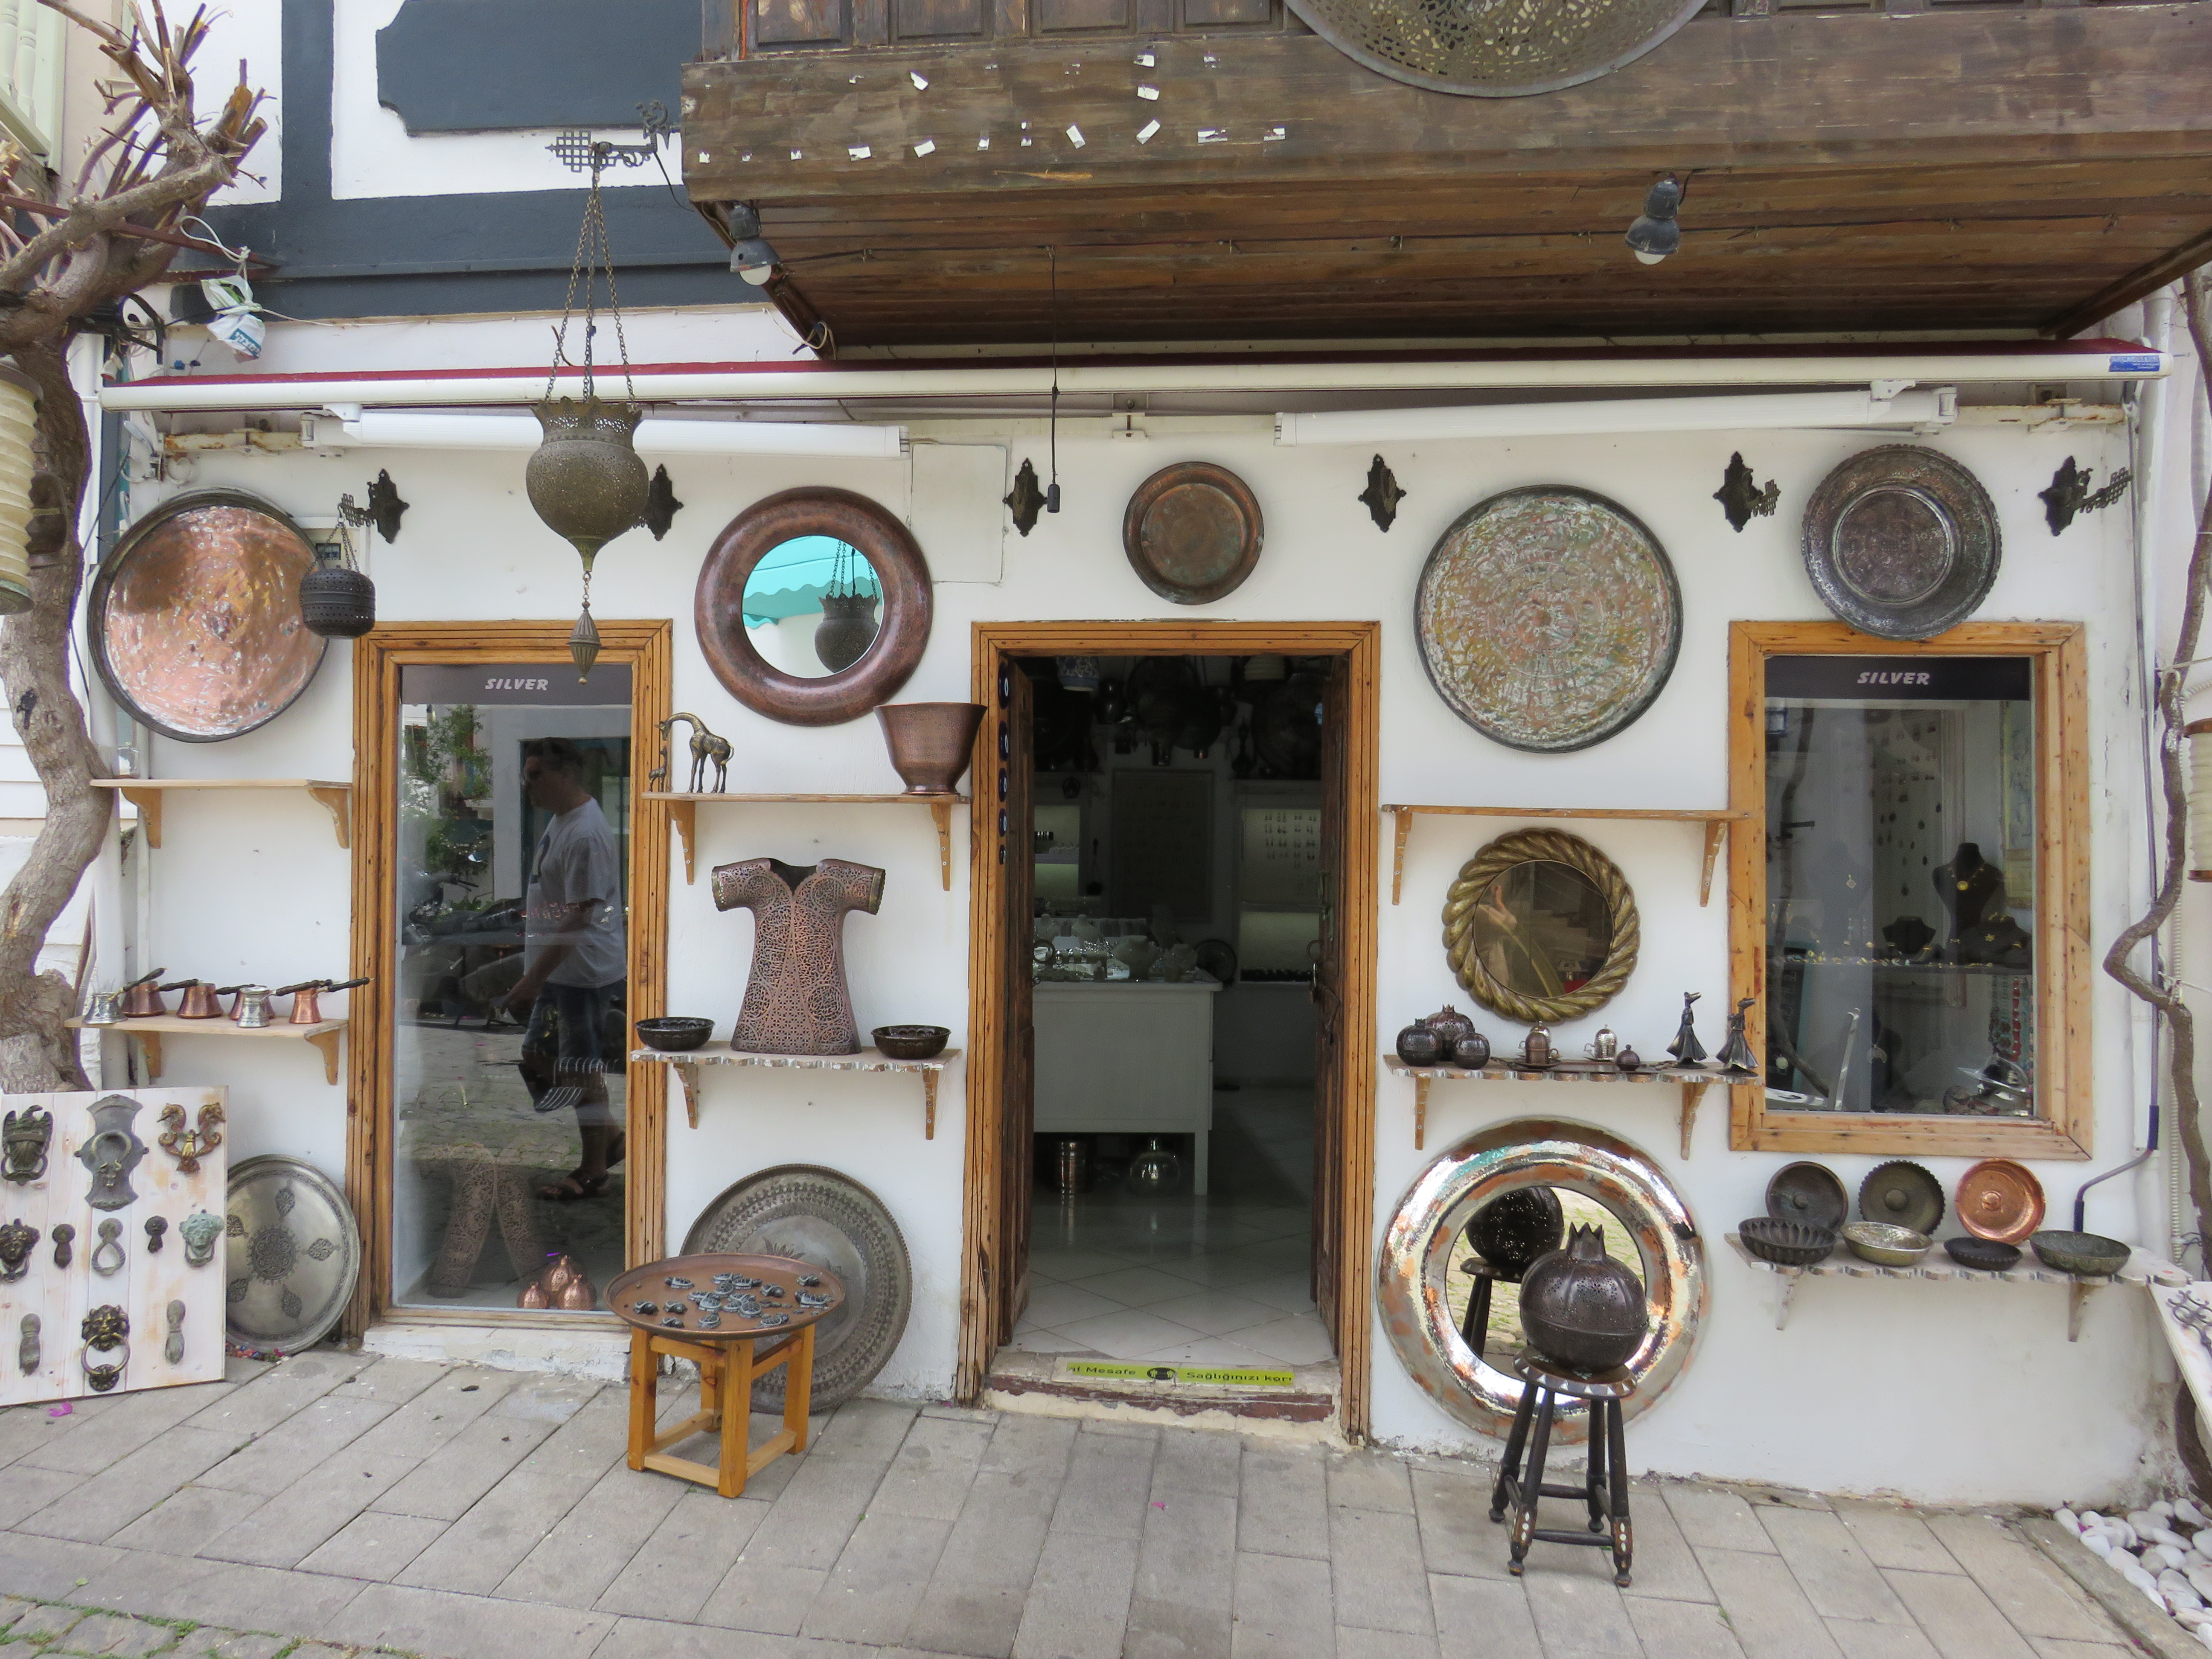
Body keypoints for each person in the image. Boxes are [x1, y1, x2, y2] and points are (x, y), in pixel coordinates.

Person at [504, 737, 626, 1201]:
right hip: (561, 972)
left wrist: (530, 980)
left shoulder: (585, 833)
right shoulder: (562, 821)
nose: (528, 785)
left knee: (578, 1068)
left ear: (568, 775)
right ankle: (610, 1136)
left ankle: (594, 1170)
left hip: (583, 973)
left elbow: (580, 916)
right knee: (539, 1055)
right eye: (526, 775)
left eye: (537, 775)